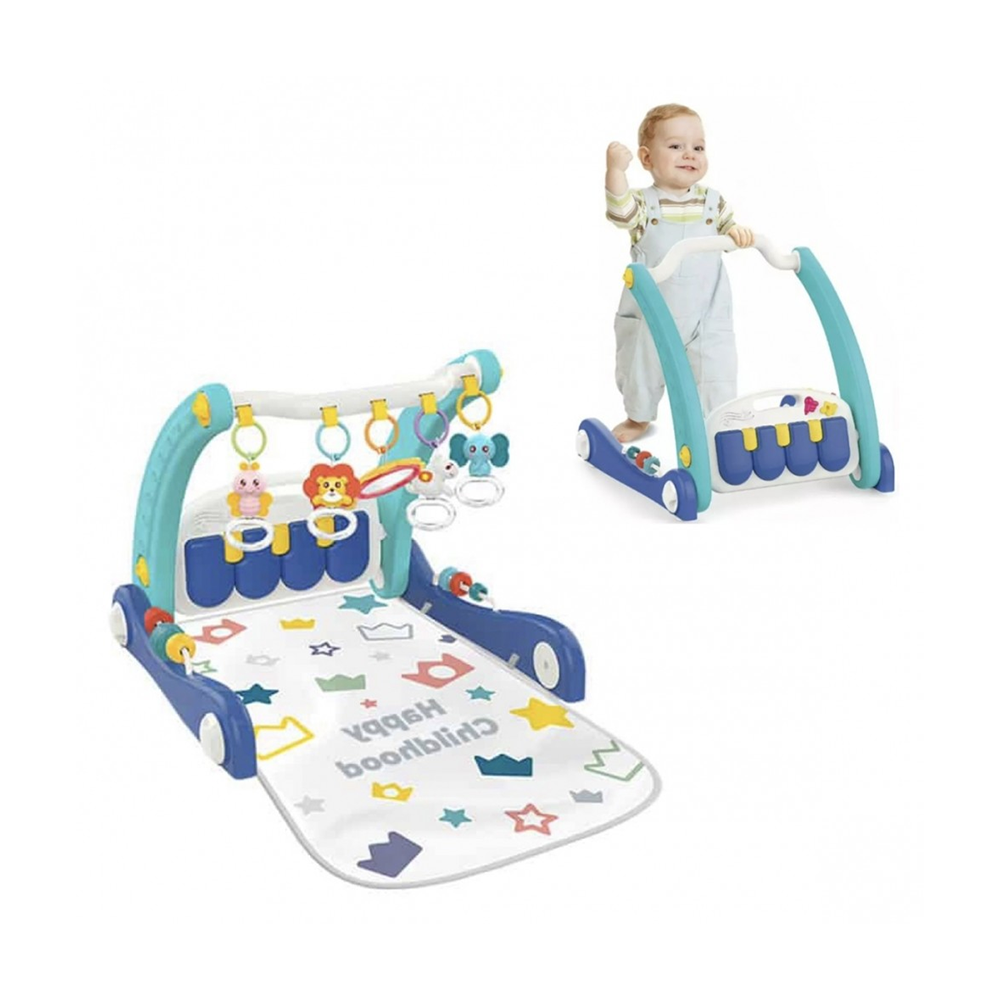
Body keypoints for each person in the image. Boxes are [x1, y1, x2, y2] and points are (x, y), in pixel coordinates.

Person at [605, 103, 754, 443]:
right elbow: (619, 213)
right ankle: (638, 417)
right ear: (647, 159)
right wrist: (615, 171)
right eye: (676, 146)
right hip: (654, 310)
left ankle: (719, 422)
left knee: (717, 366)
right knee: (642, 367)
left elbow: (728, 228)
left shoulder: (713, 202)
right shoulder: (644, 204)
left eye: (698, 147)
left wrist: (737, 232)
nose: (690, 154)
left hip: (707, 310)